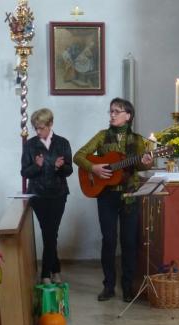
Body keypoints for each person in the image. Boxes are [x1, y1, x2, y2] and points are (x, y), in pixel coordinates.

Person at [73, 98, 154, 302]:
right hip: (106, 196)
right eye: (111, 111)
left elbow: (142, 167)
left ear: (128, 115)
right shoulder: (102, 136)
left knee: (129, 242)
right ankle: (108, 286)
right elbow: (79, 155)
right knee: (109, 241)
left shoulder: (138, 140)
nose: (112, 115)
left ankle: (127, 287)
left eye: (117, 111)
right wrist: (93, 168)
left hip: (129, 196)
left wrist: (146, 162)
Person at [21, 108, 73, 284]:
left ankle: (51, 270)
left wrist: (60, 167)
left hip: (58, 194)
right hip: (38, 195)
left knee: (51, 232)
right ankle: (48, 273)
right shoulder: (29, 145)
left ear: (50, 124)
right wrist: (36, 166)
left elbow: (69, 171)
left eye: (41, 127)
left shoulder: (63, 143)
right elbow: (24, 172)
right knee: (49, 232)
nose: (38, 131)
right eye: (36, 128)